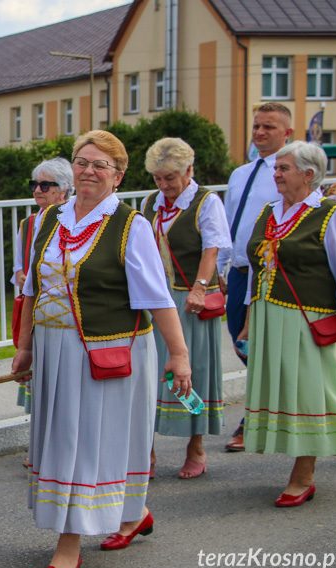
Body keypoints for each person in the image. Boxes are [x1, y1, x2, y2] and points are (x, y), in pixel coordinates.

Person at [11, 131, 192, 568]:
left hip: (108, 351)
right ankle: (132, 514)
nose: (88, 171)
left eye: (100, 165)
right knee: (64, 441)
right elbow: (33, 287)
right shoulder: (51, 219)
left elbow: (158, 297)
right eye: (81, 162)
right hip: (55, 351)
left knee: (85, 445)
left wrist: (180, 354)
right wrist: (25, 345)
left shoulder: (131, 225)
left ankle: (68, 546)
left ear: (118, 176)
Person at [237, 141, 336, 507]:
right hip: (270, 315)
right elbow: (257, 269)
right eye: (277, 167)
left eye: (284, 168)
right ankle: (301, 464)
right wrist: (250, 319)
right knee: (287, 392)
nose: (277, 173)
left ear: (309, 174)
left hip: (309, 318)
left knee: (310, 393)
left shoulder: (331, 215)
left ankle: (304, 475)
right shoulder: (270, 212)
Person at [142, 138, 231, 479]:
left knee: (192, 373)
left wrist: (200, 287)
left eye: (170, 178)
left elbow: (212, 248)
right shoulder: (152, 202)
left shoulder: (206, 202)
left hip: (189, 300)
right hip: (156, 300)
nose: (164, 186)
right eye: (158, 178)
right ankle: (145, 451)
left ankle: (196, 447)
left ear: (188, 171)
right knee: (149, 372)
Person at [218, 103, 293, 452]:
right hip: (238, 272)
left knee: (274, 350)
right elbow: (229, 222)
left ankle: (255, 419)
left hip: (273, 275)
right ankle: (272, 410)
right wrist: (223, 264)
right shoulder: (240, 173)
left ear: (287, 133)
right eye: (257, 126)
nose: (260, 132)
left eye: (270, 127)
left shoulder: (290, 172)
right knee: (241, 343)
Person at [11, 158, 74, 413]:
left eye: (45, 185)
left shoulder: (72, 220)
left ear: (65, 189)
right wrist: (21, 275)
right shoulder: (28, 223)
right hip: (35, 311)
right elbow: (17, 266)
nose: (38, 190)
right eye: (34, 184)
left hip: (64, 312)